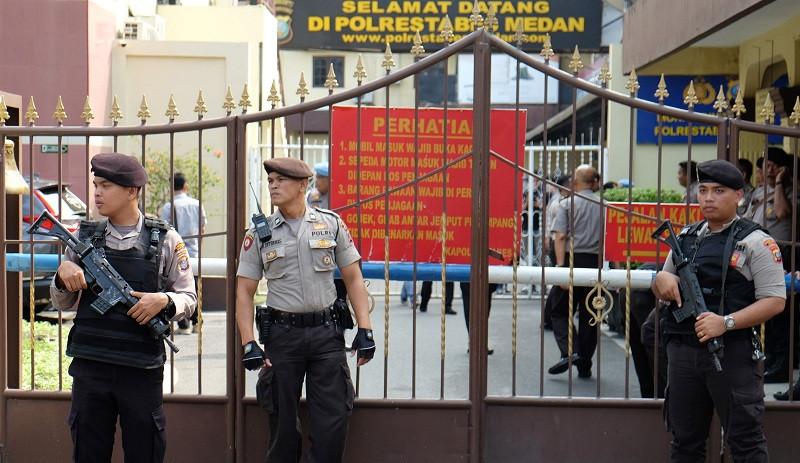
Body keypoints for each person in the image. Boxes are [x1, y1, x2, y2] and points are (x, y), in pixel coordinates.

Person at [51, 153, 197, 462]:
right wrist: (62, 277)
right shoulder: (82, 238)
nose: (97, 193)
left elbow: (189, 298)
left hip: (140, 369)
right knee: (88, 453)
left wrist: (164, 301)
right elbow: (62, 303)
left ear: (132, 191)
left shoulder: (166, 239)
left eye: (105, 185)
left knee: (145, 452)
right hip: (92, 366)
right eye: (95, 185)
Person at [235, 157, 375, 462]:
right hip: (283, 337)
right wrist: (248, 342)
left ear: (303, 185)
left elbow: (353, 276)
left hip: (327, 335)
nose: (273, 186)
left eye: (281, 180)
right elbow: (244, 292)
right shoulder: (259, 233)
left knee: (334, 418)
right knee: (283, 425)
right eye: (271, 181)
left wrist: (365, 327)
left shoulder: (330, 223)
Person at [652, 159, 785, 462]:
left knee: (746, 442)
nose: (708, 198)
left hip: (731, 352)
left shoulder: (756, 241)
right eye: (703, 190)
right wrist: (661, 280)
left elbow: (775, 300)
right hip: (684, 352)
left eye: (718, 191)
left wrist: (725, 322)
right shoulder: (685, 236)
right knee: (685, 443)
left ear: (739, 195)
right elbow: (665, 282)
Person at [743, 147, 796, 382]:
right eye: (766, 165)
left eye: (775, 165)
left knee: (781, 311)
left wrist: (781, 184)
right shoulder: (758, 193)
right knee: (761, 307)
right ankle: (769, 357)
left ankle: (782, 362)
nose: (770, 169)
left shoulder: (791, 190)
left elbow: (784, 212)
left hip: (784, 254)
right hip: (757, 254)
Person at [547, 165, 602, 378]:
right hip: (595, 264)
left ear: (576, 183)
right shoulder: (606, 206)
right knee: (591, 314)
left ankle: (571, 351)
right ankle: (584, 365)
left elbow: (560, 237)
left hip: (571, 260)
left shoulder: (567, 204)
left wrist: (561, 269)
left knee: (559, 310)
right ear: (595, 183)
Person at [160, 172, 207, 335]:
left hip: (177, 254)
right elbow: (202, 228)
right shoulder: (197, 204)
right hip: (194, 252)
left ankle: (184, 324)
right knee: (195, 286)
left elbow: (164, 231)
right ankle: (197, 321)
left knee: (178, 288)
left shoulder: (169, 206)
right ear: (185, 186)